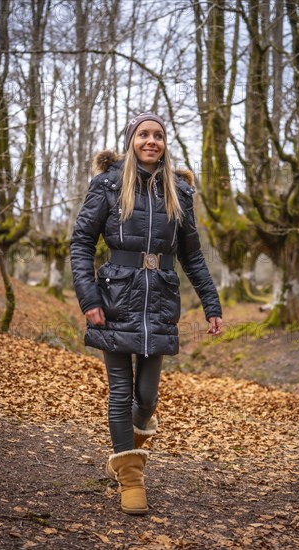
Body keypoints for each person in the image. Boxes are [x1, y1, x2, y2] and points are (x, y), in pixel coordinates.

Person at [70, 112, 222, 515]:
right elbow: (81, 243)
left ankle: (123, 454)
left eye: (158, 135)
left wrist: (212, 305)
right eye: (143, 134)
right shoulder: (107, 185)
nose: (151, 141)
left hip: (159, 302)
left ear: (165, 142)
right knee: (121, 392)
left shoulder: (180, 193)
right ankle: (131, 480)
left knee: (148, 398)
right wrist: (89, 299)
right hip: (116, 297)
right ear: (131, 140)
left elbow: (193, 257)